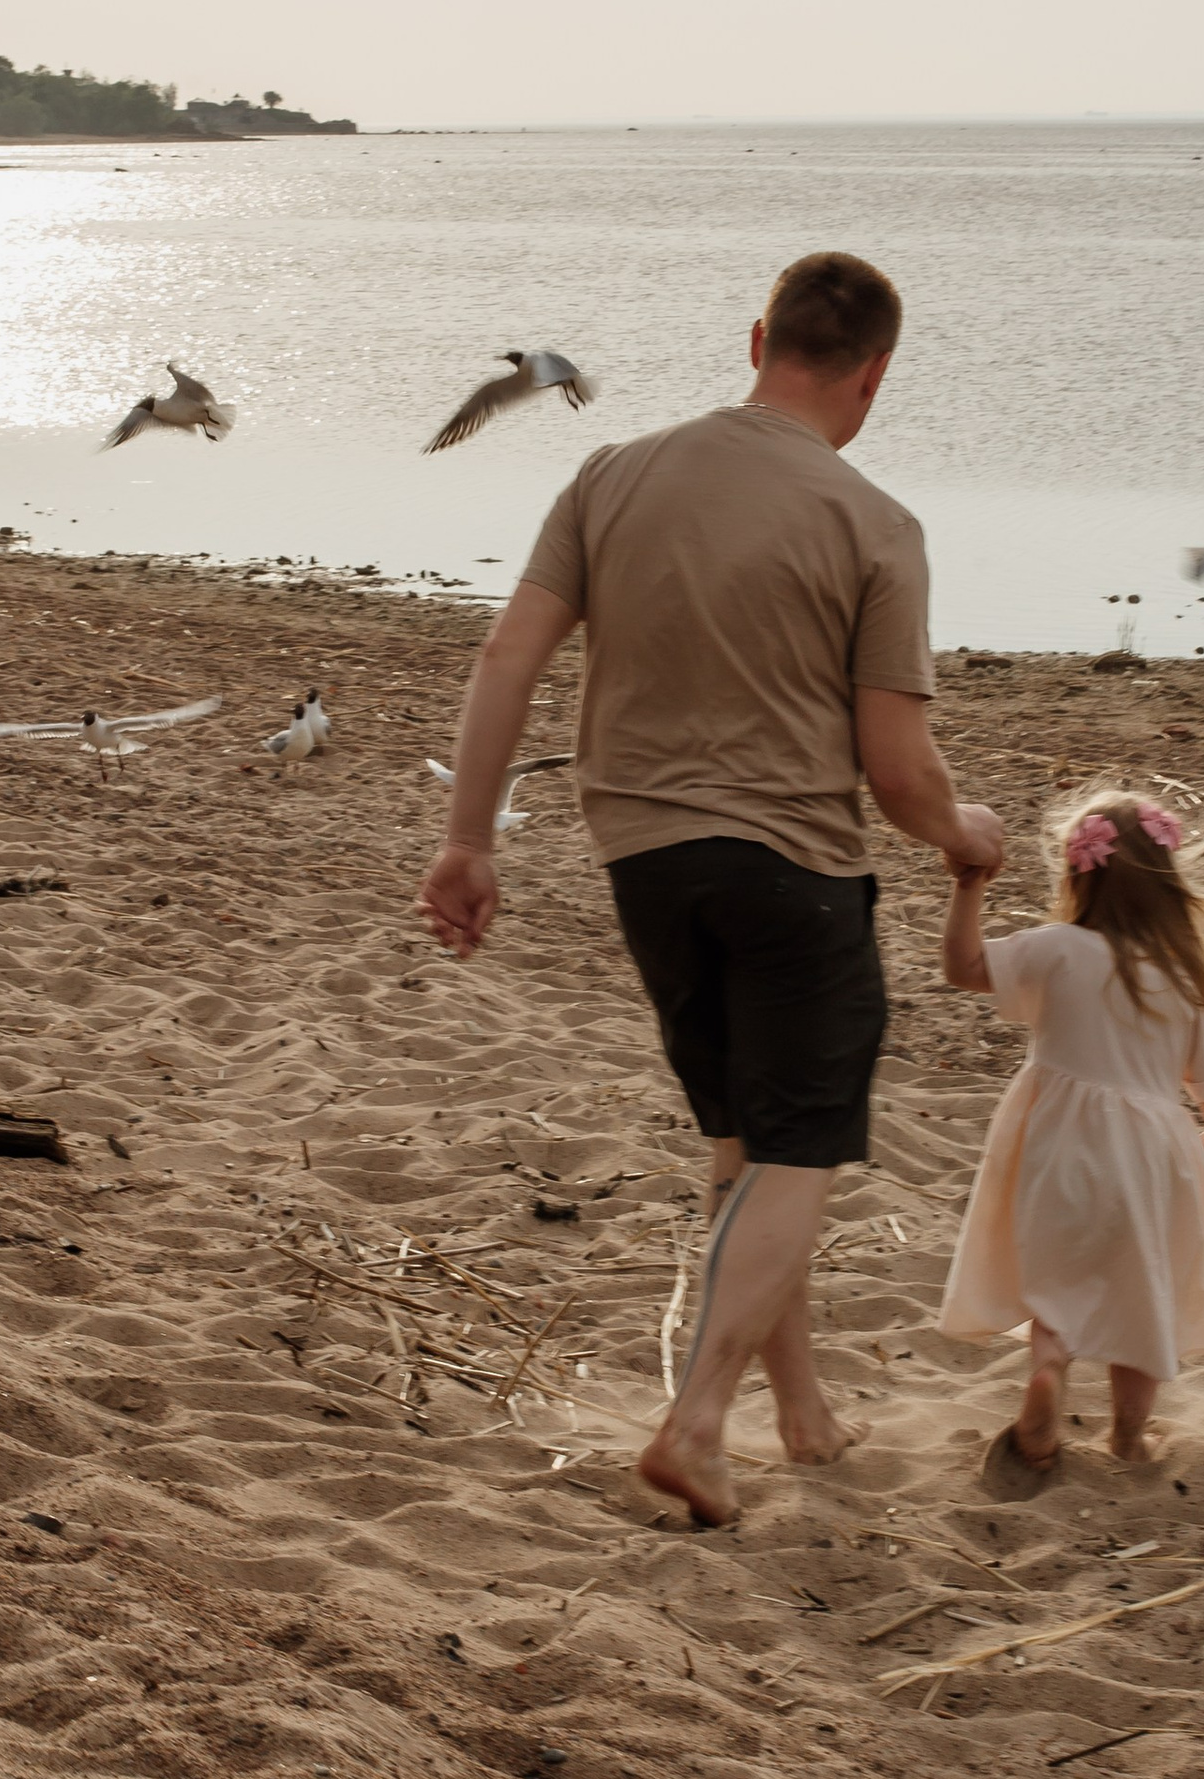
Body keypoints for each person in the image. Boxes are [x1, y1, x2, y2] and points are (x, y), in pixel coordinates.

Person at [418, 250, 1005, 1526]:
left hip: (641, 857)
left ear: (756, 340)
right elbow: (897, 769)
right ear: (876, 375)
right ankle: (695, 1421)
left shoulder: (612, 472)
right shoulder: (874, 525)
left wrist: (470, 840)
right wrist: (965, 837)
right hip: (793, 866)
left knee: (745, 1141)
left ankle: (798, 1412)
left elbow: (508, 655)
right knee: (802, 1148)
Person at [938, 792, 1204, 1481]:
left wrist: (968, 890)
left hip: (1057, 1144)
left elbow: (962, 968)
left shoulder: (1056, 950)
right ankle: (1129, 1438)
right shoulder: (1188, 978)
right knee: (1140, 1293)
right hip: (1150, 1157)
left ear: (1076, 875)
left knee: (1059, 1275)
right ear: (1171, 887)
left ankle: (1049, 1367)